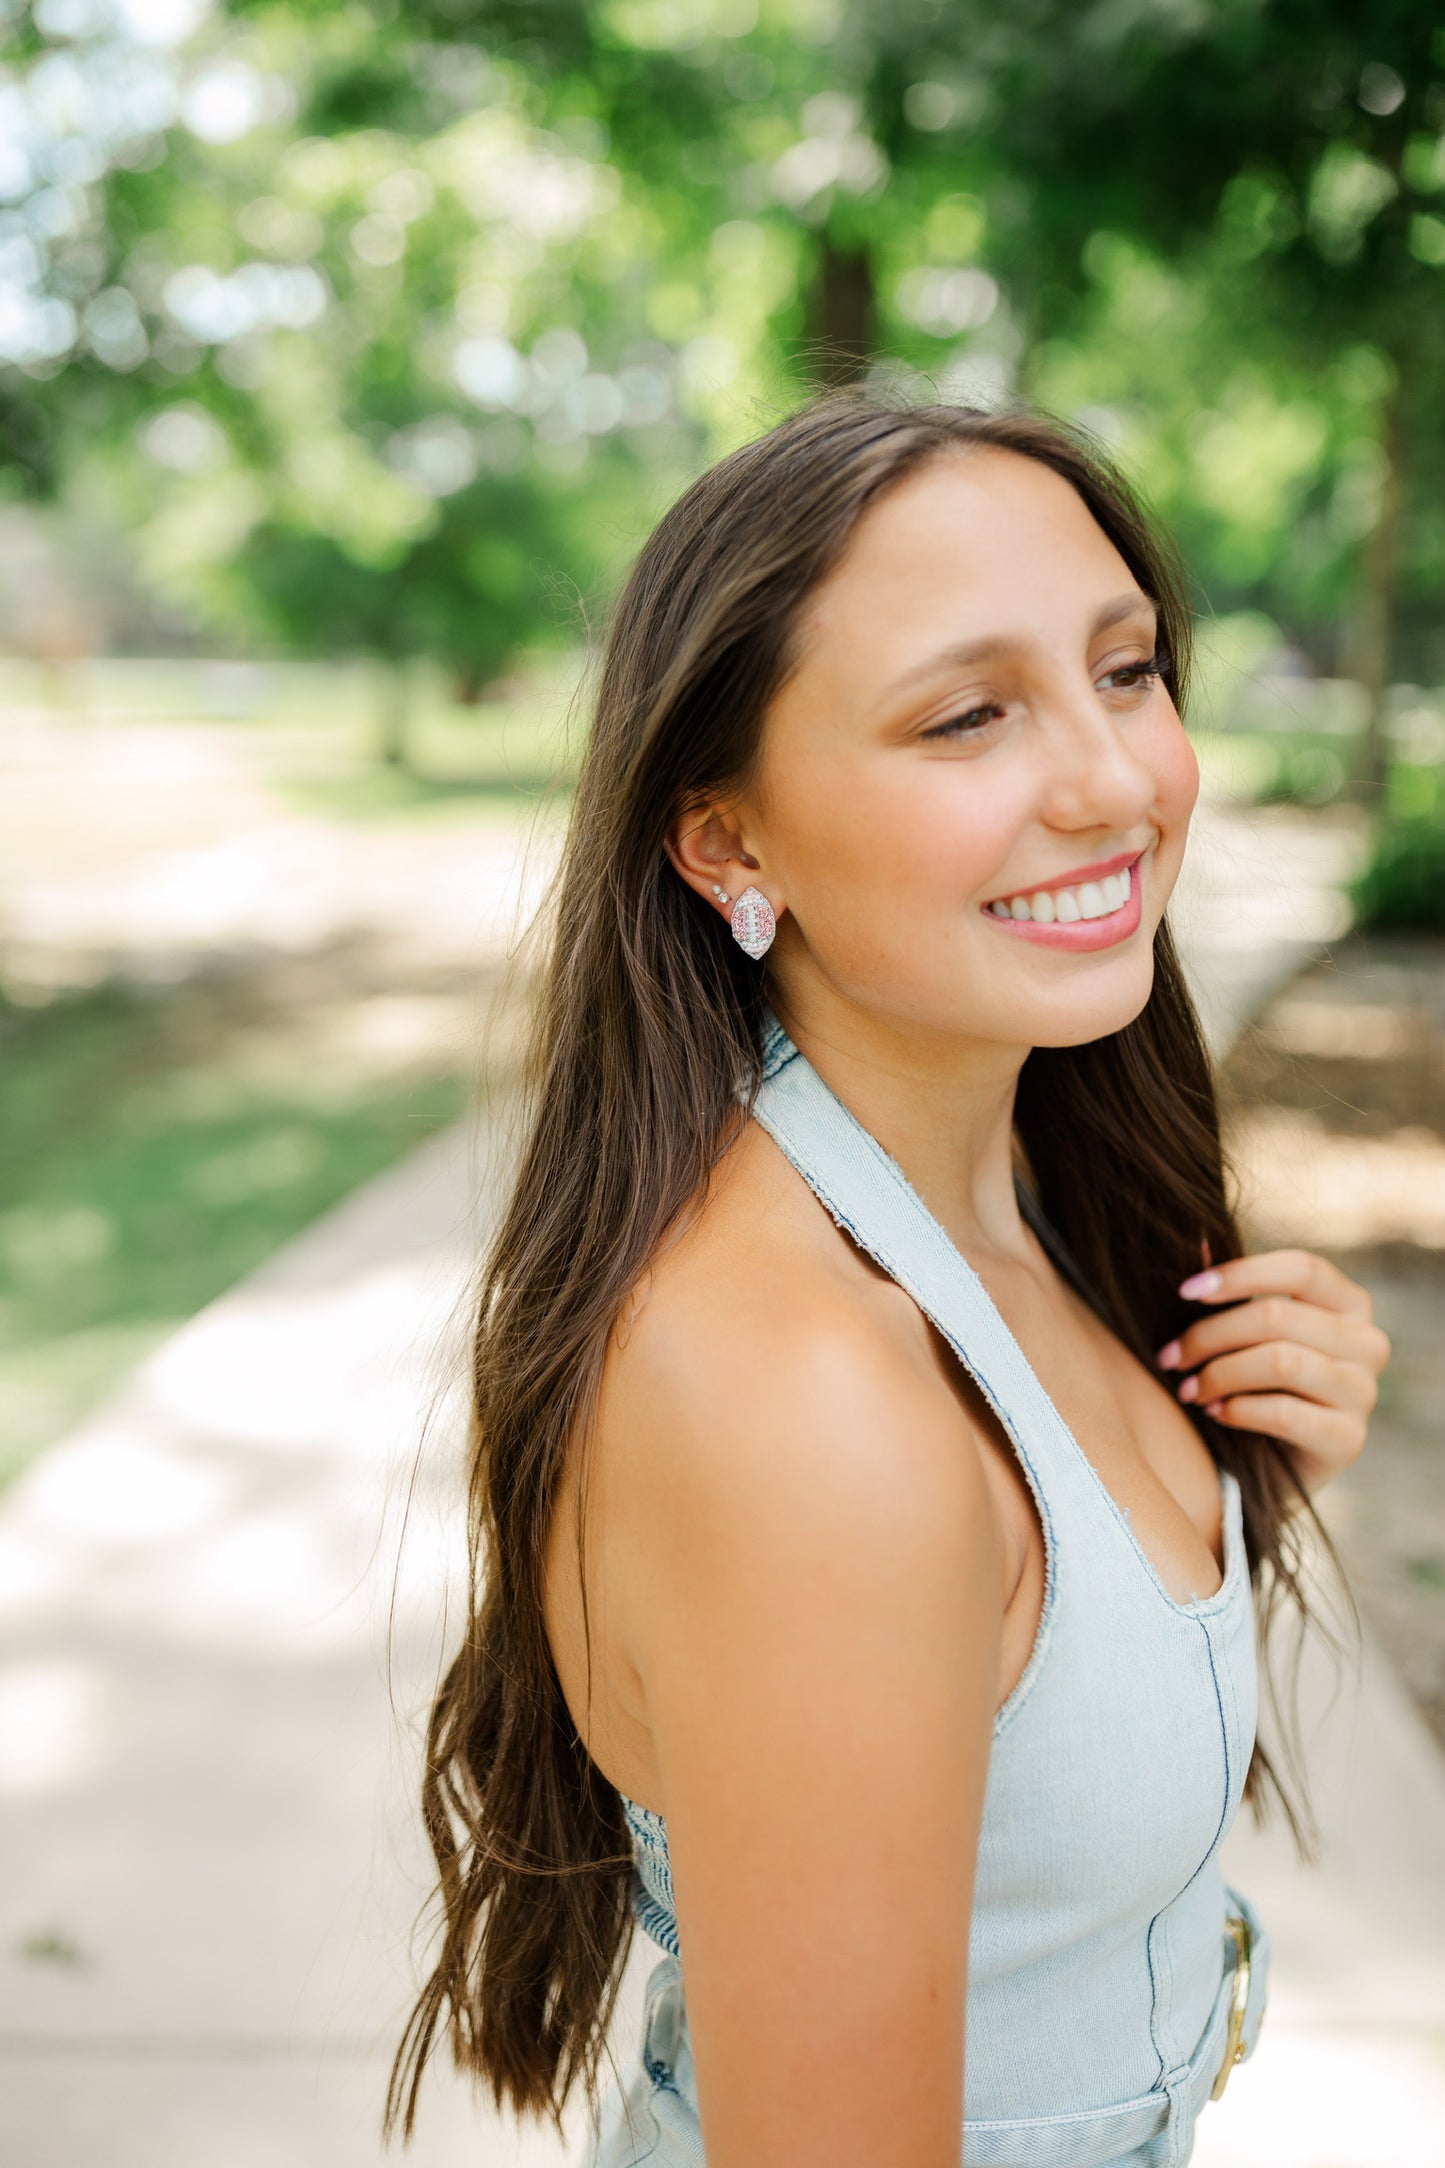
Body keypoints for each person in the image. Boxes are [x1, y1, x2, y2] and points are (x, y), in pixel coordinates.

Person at [386, 395, 1390, 2168]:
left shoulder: (1024, 1205)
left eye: (1126, 670)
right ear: (725, 843)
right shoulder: (812, 1401)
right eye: (965, 715)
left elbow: (1026, 1795)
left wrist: (1227, 1479)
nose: (1110, 779)